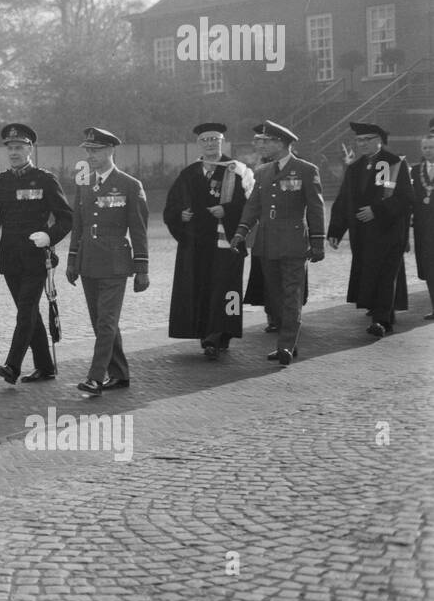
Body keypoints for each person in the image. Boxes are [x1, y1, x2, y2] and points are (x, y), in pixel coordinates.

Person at [231, 120, 326, 365]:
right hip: (267, 242)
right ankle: (288, 341)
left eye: (267, 141)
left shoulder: (305, 169)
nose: (262, 145)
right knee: (274, 297)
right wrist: (241, 232)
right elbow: (253, 207)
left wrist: (318, 241)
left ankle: (285, 345)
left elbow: (316, 208)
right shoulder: (262, 172)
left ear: (281, 143)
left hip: (294, 241)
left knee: (291, 295)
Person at [0, 123, 71, 384]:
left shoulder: (45, 179)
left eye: (19, 147)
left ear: (30, 148)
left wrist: (49, 236)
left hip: (36, 257)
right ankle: (45, 366)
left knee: (25, 311)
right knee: (29, 312)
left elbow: (67, 218)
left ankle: (12, 365)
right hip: (11, 258)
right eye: (10, 148)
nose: (14, 152)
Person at [66, 128, 149, 396]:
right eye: (88, 150)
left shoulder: (129, 185)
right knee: (100, 321)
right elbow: (77, 225)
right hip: (89, 260)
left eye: (97, 150)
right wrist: (72, 260)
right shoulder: (84, 183)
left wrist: (142, 269)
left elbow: (138, 230)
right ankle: (120, 372)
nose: (91, 155)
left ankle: (95, 377)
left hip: (115, 262)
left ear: (111, 150)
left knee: (106, 322)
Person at [163, 123, 253, 358]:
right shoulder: (189, 173)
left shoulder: (237, 170)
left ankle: (221, 333)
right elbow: (172, 206)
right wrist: (179, 215)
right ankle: (206, 334)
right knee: (201, 288)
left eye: (215, 139)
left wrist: (228, 211)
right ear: (199, 144)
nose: (211, 143)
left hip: (226, 243)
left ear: (222, 141)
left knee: (225, 289)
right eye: (206, 140)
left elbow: (252, 206)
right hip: (197, 245)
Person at [327, 122, 413, 337]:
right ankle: (382, 314)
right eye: (359, 140)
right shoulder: (355, 168)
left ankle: (381, 321)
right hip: (363, 235)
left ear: (379, 140)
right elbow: (344, 200)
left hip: (388, 233)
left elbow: (405, 198)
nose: (362, 143)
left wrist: (378, 210)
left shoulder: (394, 164)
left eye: (367, 139)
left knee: (385, 276)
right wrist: (336, 230)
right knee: (370, 275)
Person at [412, 132, 434, 319]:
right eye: (425, 147)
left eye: (432, 147)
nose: (428, 151)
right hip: (423, 229)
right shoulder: (415, 170)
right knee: (428, 267)